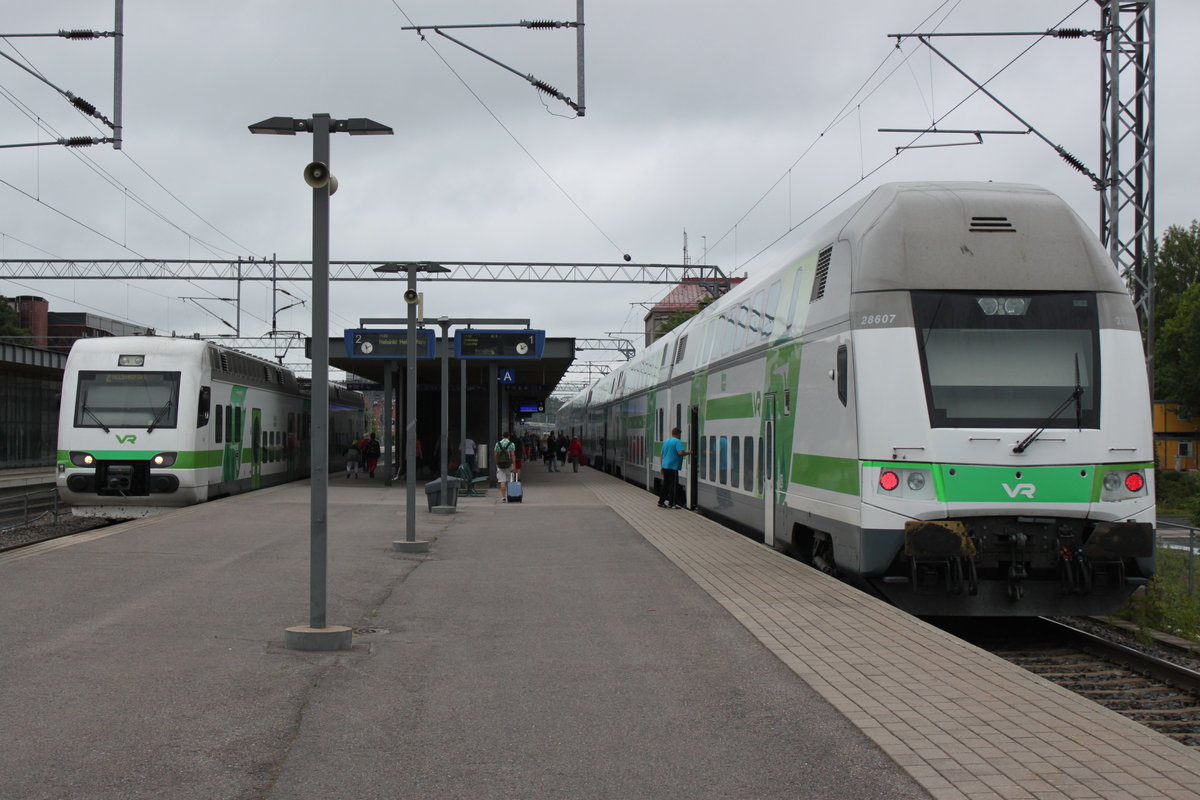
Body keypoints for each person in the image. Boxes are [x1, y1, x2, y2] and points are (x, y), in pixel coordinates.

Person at [657, 427, 690, 508]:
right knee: (673, 486)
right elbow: (680, 452)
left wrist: (661, 466)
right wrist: (689, 452)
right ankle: (672, 504)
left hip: (665, 466)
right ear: (678, 434)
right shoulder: (677, 441)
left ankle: (660, 502)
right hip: (673, 467)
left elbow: (661, 455)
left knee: (665, 485)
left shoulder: (666, 441)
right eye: (680, 434)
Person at [494, 432, 518, 502]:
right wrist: (514, 465)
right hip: (509, 464)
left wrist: (496, 463)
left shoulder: (498, 444)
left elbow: (495, 455)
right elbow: (513, 455)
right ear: (509, 437)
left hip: (500, 465)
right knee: (509, 481)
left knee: (502, 481)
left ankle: (503, 497)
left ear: (502, 436)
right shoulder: (511, 444)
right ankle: (510, 495)